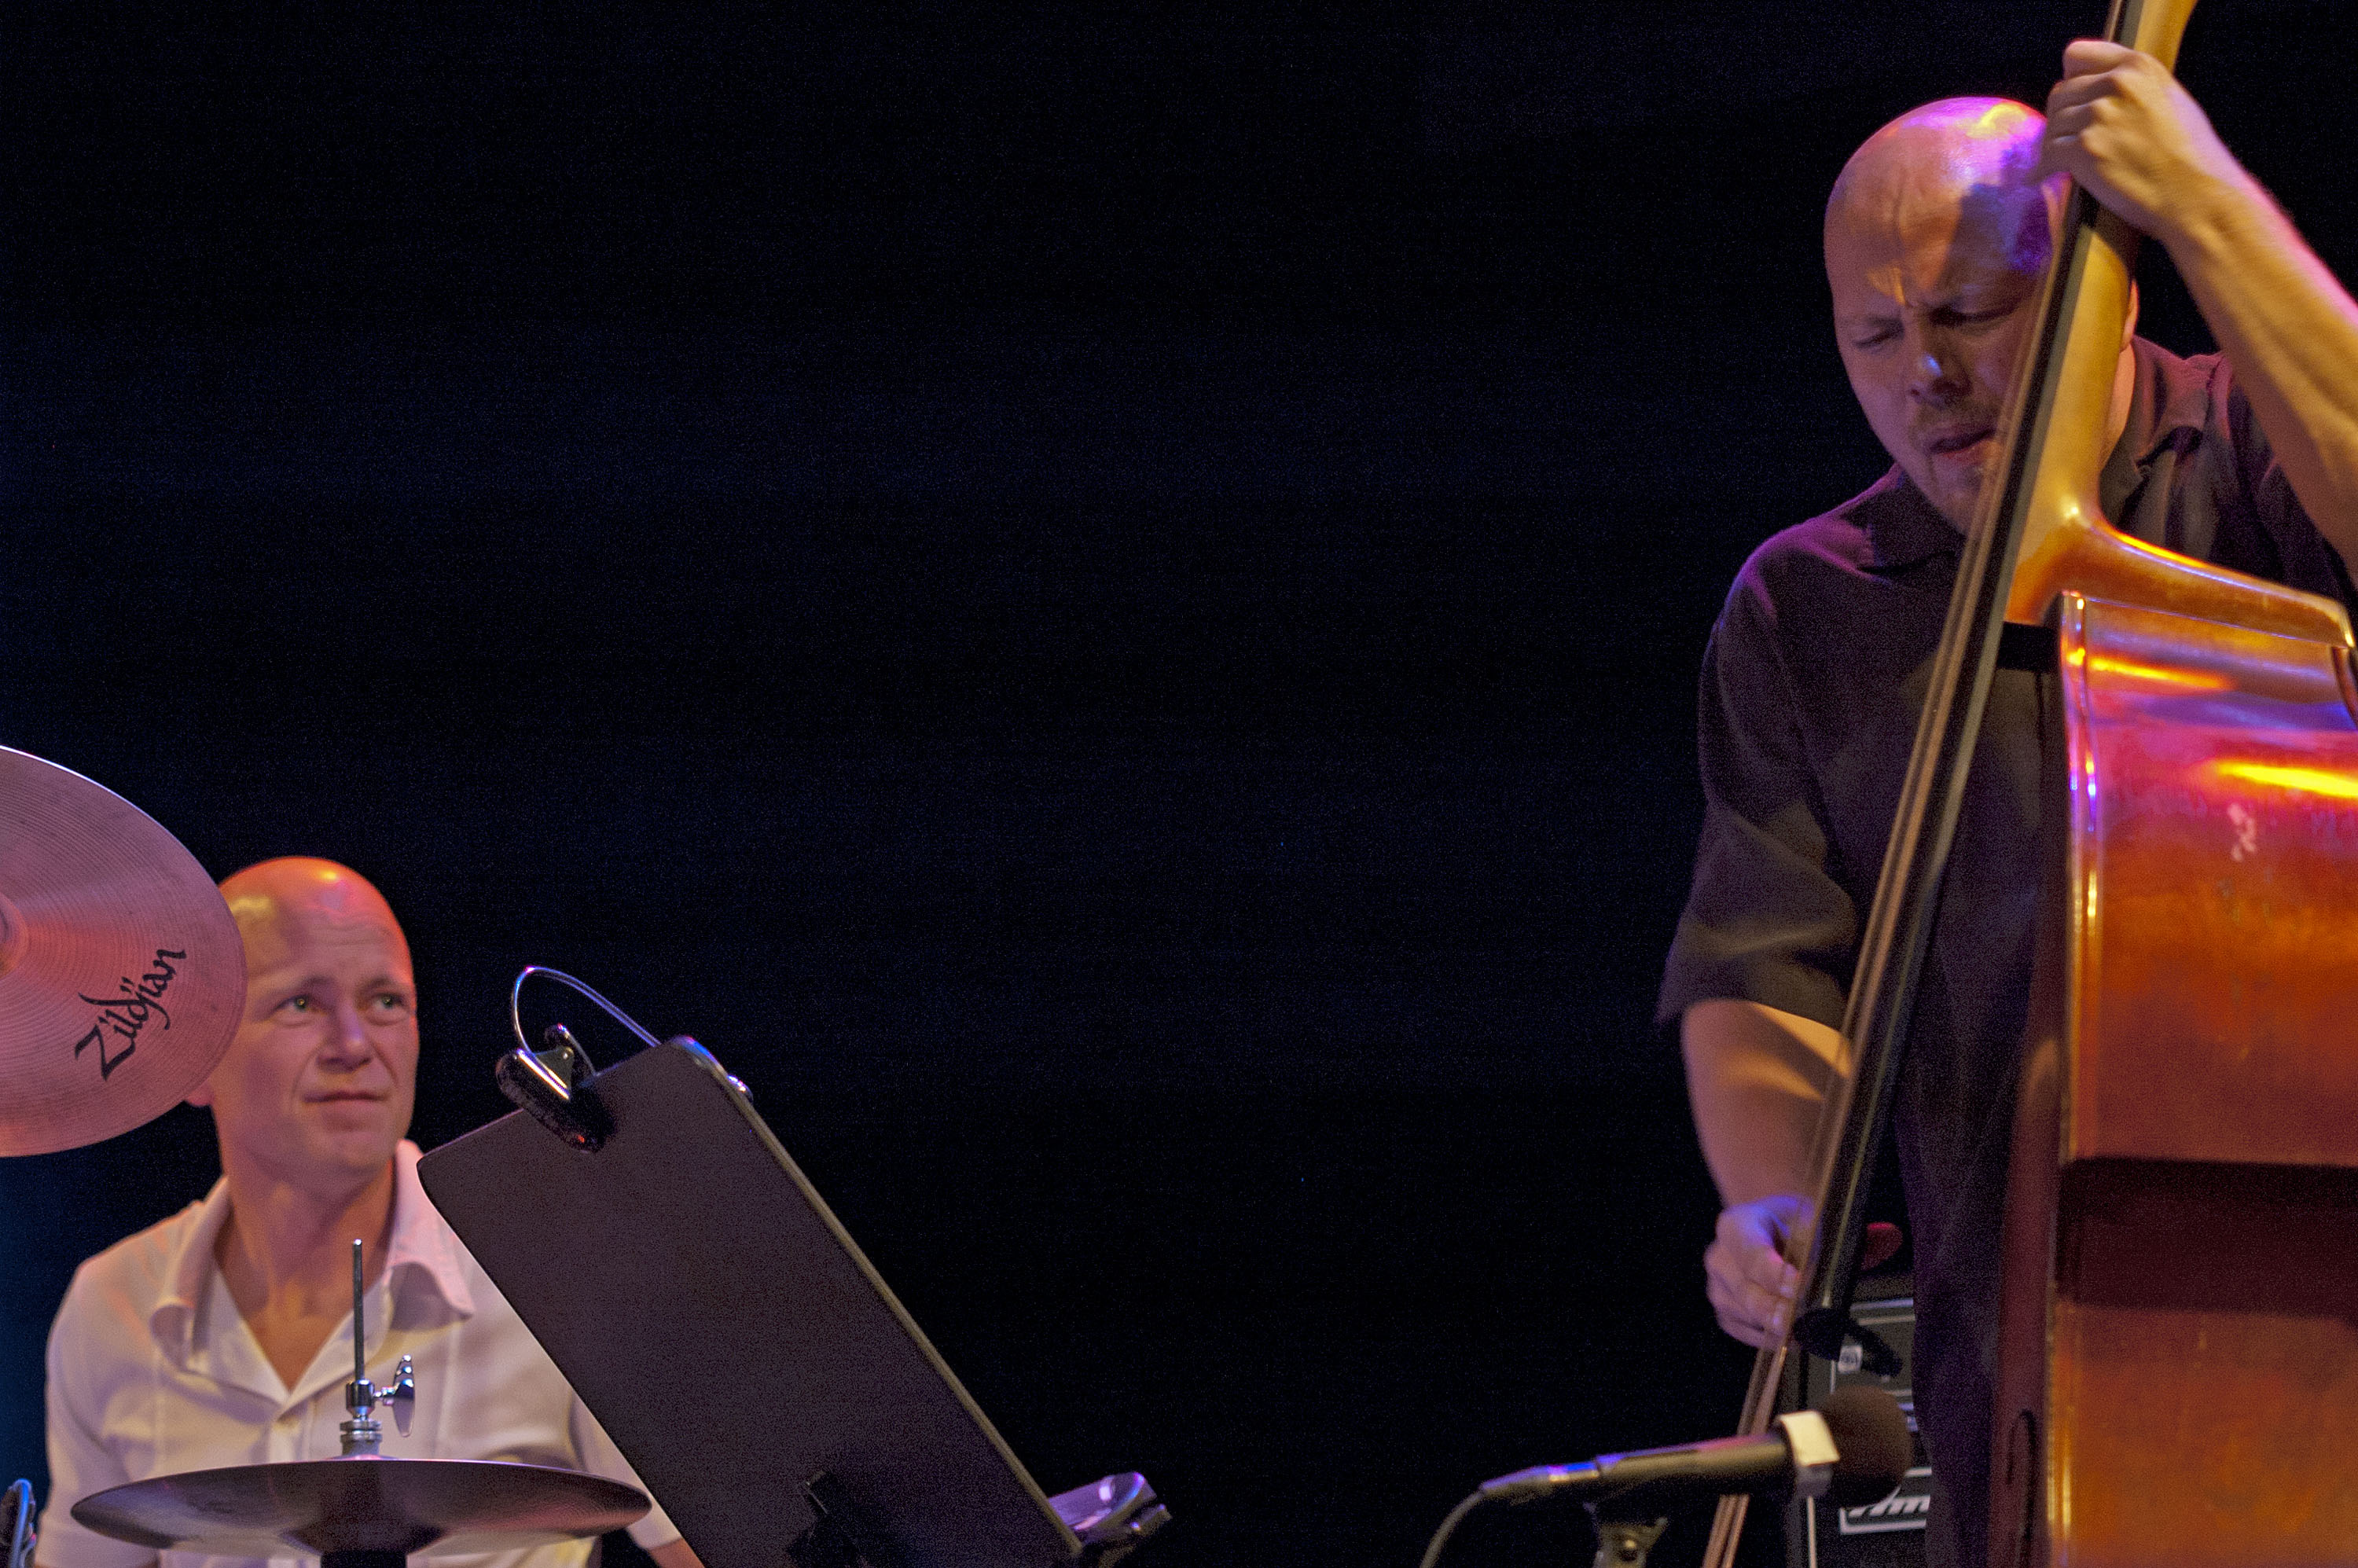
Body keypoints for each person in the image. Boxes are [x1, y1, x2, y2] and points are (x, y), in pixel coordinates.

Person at [1659, 41, 2358, 1568]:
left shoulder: (2257, 445)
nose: (1930, 371)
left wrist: (2205, 209)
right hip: (2021, 1400)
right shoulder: (1805, 607)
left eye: (1972, 312)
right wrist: (1774, 1195)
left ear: (2097, 278)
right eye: (1875, 333)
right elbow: (1755, 967)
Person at [37, 858, 703, 1568]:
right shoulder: (111, 1303)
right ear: (195, 1054)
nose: (356, 1046)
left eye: (386, 1001)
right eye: (302, 1004)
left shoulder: (550, 1272)